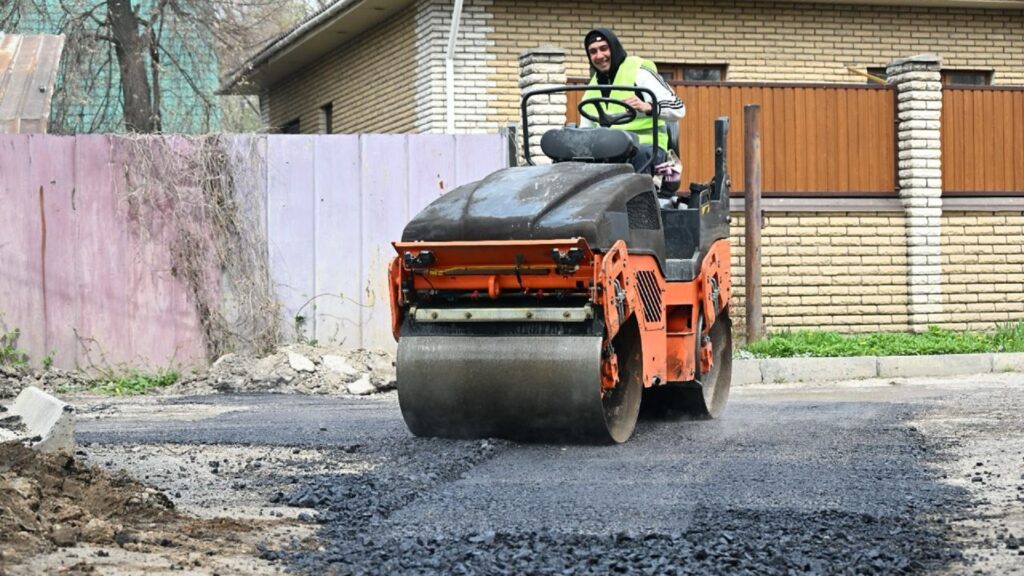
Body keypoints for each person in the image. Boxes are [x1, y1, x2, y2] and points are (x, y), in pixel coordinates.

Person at [580, 28, 685, 174]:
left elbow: (678, 108)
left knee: (639, 154)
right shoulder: (592, 88)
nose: (599, 55)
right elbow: (585, 129)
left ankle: (639, 197)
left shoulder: (638, 71)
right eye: (593, 51)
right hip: (609, 152)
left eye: (604, 48)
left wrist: (647, 106)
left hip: (647, 148)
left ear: (614, 48)